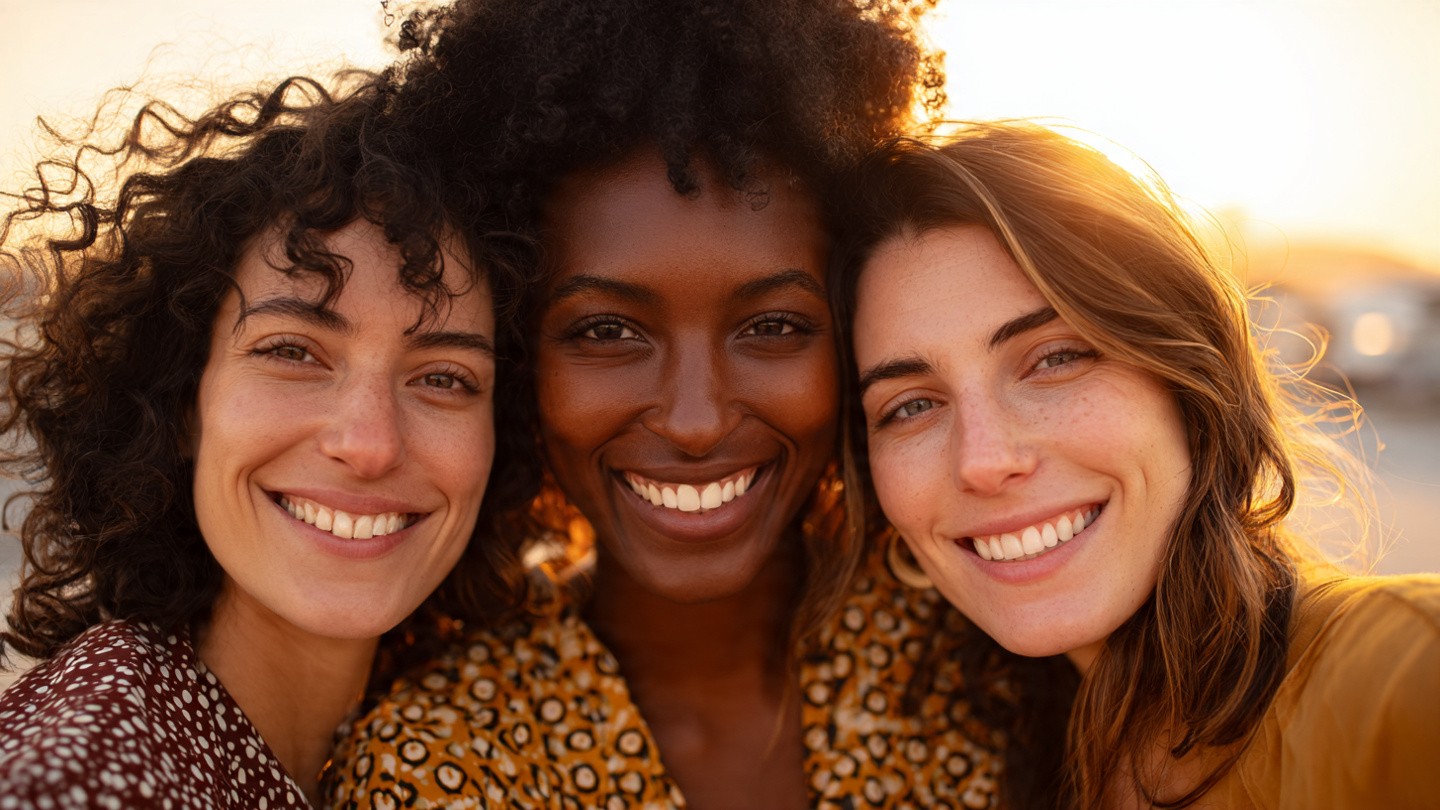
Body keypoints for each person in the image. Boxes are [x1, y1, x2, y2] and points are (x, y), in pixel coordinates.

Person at [328, 1, 1010, 808]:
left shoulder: (990, 657)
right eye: (608, 330)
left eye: (773, 326)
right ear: (518, 362)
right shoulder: (443, 757)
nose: (696, 421)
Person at [833, 121, 1440, 809]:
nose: (984, 461)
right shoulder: (984, 756)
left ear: (1186, 376)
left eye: (1056, 358)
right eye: (910, 406)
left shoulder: (1397, 676)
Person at [0, 71, 532, 806]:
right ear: (184, 400)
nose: (370, 443)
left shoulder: (490, 718)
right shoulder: (84, 771)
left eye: (445, 377)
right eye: (292, 352)